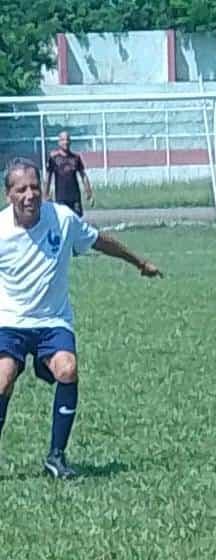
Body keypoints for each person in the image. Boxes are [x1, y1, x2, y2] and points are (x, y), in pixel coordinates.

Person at [0, 158, 162, 478]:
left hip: (52, 321)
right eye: (22, 189)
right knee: (2, 378)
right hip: (11, 321)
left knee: (68, 369)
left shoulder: (61, 218)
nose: (30, 195)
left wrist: (139, 261)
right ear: (9, 195)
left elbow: (100, 241)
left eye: (35, 187)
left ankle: (56, 458)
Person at [45, 131, 93, 217]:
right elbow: (48, 177)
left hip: (74, 196)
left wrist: (88, 191)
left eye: (67, 140)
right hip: (61, 196)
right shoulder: (53, 158)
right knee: (63, 220)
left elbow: (83, 175)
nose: (65, 142)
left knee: (77, 219)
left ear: (70, 141)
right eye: (63, 140)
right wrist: (46, 194)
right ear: (59, 142)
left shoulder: (76, 158)